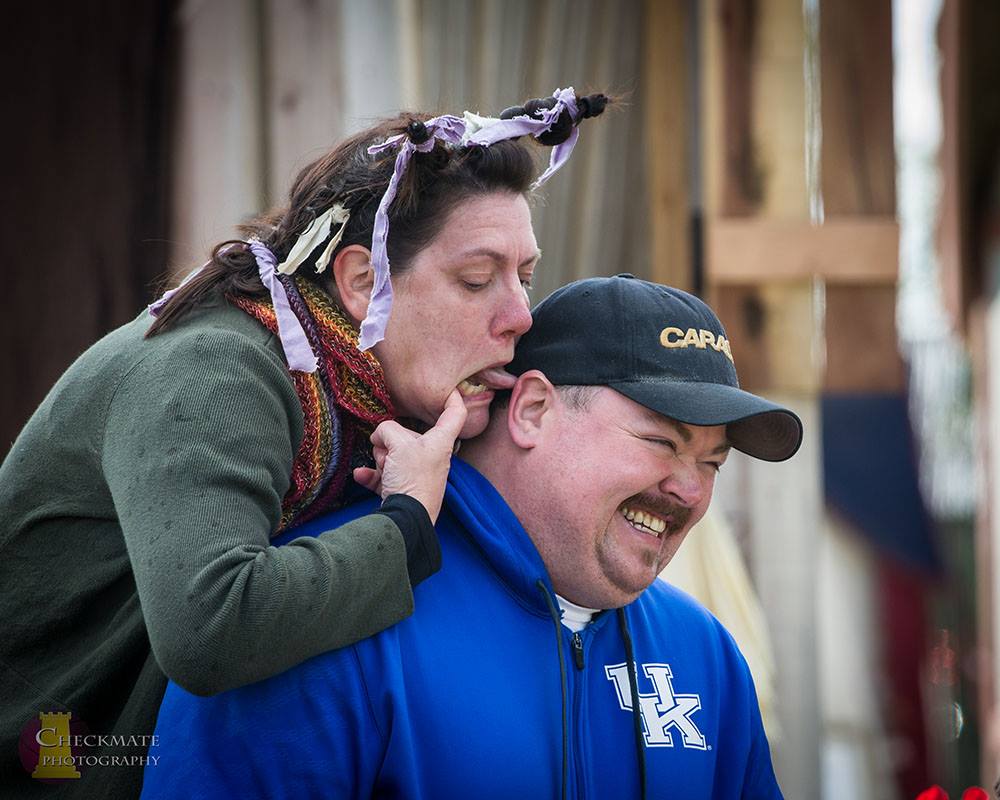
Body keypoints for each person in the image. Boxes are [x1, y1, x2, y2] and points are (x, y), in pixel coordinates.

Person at [0, 89, 608, 797]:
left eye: (526, 279)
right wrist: (408, 521)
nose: (518, 317)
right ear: (360, 281)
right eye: (477, 280)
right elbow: (212, 627)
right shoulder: (215, 371)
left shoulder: (385, 389)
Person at [141, 274, 803, 799]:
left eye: (712, 463)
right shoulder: (325, 612)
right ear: (535, 410)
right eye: (662, 442)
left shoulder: (705, 654)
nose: (690, 492)